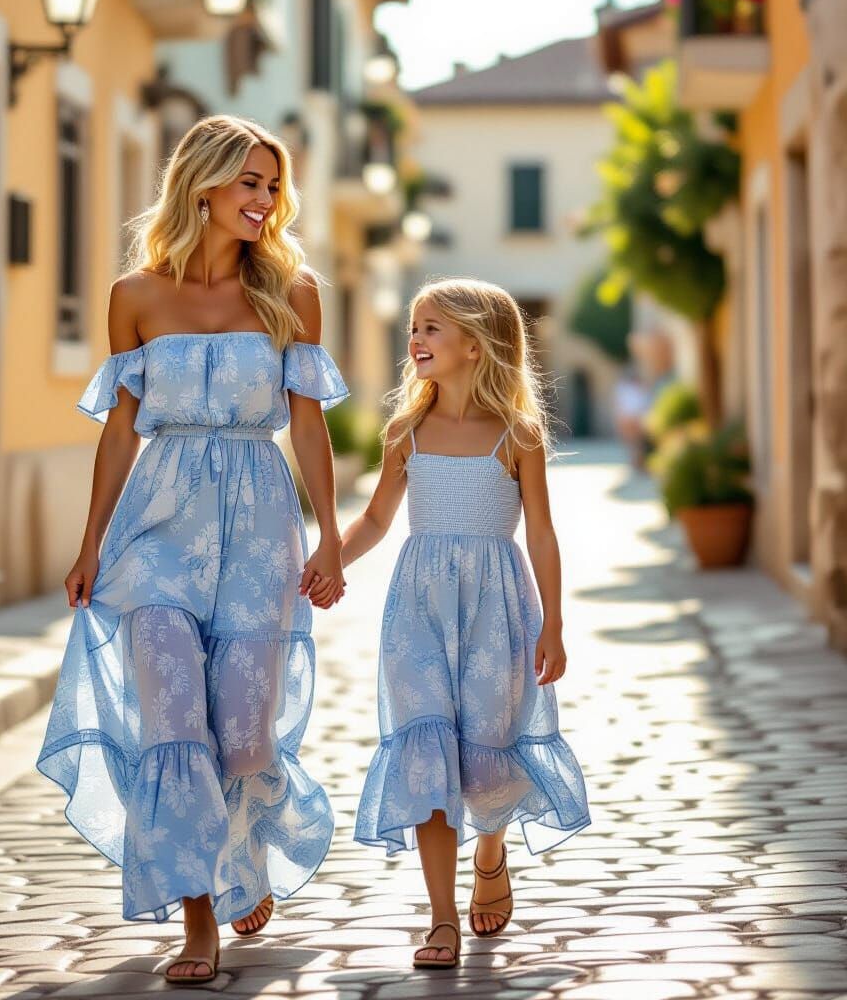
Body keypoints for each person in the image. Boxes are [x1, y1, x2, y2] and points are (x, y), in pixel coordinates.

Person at [36, 115, 348, 986]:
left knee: (243, 739)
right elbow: (120, 433)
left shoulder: (293, 291)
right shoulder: (134, 296)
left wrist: (329, 534)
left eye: (272, 186)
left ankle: (252, 835)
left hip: (258, 527)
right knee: (175, 726)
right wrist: (91, 542)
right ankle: (198, 919)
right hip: (155, 533)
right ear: (202, 185)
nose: (263, 200)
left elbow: (310, 427)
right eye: (249, 182)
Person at [340, 277, 590, 969]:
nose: (414, 339)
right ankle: (440, 918)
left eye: (430, 329)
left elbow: (540, 531)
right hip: (417, 610)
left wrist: (555, 624)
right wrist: (326, 559)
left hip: (497, 612)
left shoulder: (518, 435)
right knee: (427, 753)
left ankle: (491, 848)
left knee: (487, 760)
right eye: (414, 327)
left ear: (476, 347)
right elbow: (376, 520)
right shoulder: (405, 431)